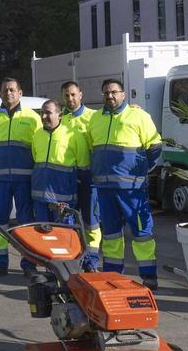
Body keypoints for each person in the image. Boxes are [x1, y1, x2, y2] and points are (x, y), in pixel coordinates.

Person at [85, 78, 162, 288]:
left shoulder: (138, 116)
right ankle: (112, 274)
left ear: (123, 94)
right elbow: (93, 148)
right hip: (105, 189)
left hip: (132, 190)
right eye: (106, 93)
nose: (110, 96)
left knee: (141, 233)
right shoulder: (95, 119)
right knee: (110, 234)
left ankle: (148, 275)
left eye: (114, 92)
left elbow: (154, 146)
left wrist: (143, 170)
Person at [0, 78, 42, 278]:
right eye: (5, 90)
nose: (9, 93)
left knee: (25, 223)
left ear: (20, 93)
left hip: (24, 180)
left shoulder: (33, 118)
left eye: (12, 90)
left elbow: (39, 145)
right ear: (0, 93)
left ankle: (29, 265)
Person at [31, 100, 94, 271]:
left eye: (48, 113)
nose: (44, 116)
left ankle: (70, 270)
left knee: (65, 236)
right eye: (42, 113)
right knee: (44, 237)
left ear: (60, 115)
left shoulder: (73, 135)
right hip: (40, 197)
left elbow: (83, 166)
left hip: (63, 198)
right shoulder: (37, 135)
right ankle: (50, 269)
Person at [61, 81, 102, 268]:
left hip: (88, 176)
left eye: (73, 94)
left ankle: (91, 261)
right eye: (66, 95)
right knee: (68, 220)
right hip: (68, 177)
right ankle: (74, 259)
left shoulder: (94, 117)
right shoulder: (61, 119)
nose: (70, 98)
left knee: (91, 222)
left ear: (81, 94)